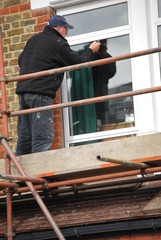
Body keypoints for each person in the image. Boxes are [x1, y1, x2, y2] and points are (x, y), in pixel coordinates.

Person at [16, 15, 100, 156]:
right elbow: (78, 63)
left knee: (25, 136)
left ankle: (20, 175)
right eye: (66, 29)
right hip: (40, 93)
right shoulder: (58, 42)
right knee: (42, 137)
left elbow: (21, 60)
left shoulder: (33, 39)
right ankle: (39, 173)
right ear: (59, 28)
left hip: (23, 92)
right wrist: (90, 50)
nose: (66, 33)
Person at [92, 39, 116, 125]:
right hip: (90, 89)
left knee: (102, 114)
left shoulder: (107, 57)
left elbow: (111, 72)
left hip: (101, 88)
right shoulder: (88, 55)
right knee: (93, 112)